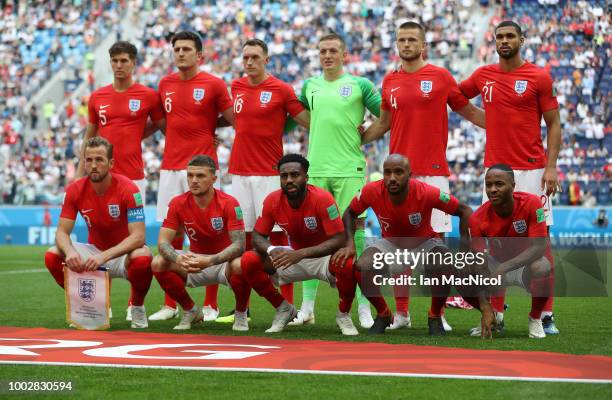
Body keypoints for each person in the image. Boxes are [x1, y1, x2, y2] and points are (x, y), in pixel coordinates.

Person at [362, 21, 486, 328]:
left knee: (438, 246)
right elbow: (383, 123)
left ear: (424, 45)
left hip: (433, 173)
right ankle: (402, 314)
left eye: (411, 39)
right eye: (401, 39)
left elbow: (468, 111)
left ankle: (438, 314)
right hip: (398, 177)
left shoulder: (441, 77)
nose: (405, 44)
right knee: (399, 241)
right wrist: (357, 137)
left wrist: (503, 124)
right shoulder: (389, 80)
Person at [460, 20, 562, 335]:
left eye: (510, 36)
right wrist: (484, 119)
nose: (504, 41)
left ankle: (545, 315)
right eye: (500, 36)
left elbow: (554, 123)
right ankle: (498, 315)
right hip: (496, 171)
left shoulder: (538, 76)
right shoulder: (483, 75)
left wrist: (551, 166)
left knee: (540, 245)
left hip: (532, 169)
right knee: (495, 246)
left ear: (521, 39)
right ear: (494, 41)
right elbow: (455, 98)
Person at [332, 154, 491, 336]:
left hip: (424, 243)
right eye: (388, 172)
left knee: (443, 261)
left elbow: (464, 210)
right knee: (362, 266)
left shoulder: (426, 192)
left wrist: (464, 251)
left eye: (398, 172)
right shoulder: (371, 191)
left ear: (409, 174)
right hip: (390, 244)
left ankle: (435, 315)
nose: (392, 178)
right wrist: (349, 244)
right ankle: (383, 314)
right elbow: (349, 213)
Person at [216, 39, 310, 324]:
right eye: (245, 57)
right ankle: (242, 308)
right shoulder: (237, 86)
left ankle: (289, 307)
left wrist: (341, 123)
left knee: (278, 239)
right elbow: (233, 119)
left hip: (270, 174)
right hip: (240, 173)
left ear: (266, 59)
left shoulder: (281, 89)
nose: (249, 62)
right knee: (243, 242)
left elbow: (305, 118)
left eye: (255, 57)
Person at [293, 32, 377, 328]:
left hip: (350, 169)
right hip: (316, 169)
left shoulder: (360, 85)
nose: (327, 55)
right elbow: (300, 115)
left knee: (355, 235)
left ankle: (366, 306)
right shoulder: (309, 86)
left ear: (344, 55)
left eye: (332, 50)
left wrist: (363, 137)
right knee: (312, 234)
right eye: (322, 50)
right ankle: (307, 308)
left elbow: (387, 116)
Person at [153, 31, 234, 322]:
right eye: (176, 48)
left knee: (211, 235)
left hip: (202, 166)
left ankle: (211, 304)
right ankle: (171, 304)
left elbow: (232, 116)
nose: (180, 53)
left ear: (199, 55)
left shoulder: (213, 83)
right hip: (170, 167)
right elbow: (164, 121)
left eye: (186, 48)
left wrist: (209, 128)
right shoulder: (165, 84)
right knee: (170, 235)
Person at [80, 41, 164, 321]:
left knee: (133, 242)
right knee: (100, 239)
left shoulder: (148, 95)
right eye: (115, 60)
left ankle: (134, 303)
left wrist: (138, 134)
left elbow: (163, 125)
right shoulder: (97, 96)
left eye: (124, 60)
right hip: (100, 182)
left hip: (133, 177)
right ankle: (101, 304)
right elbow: (90, 136)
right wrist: (82, 172)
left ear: (134, 63)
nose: (119, 65)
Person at [239, 154, 360, 335]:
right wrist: (272, 249)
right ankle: (283, 309)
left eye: (295, 175)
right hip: (292, 257)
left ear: (306, 177)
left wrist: (301, 254)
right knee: (249, 259)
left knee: (348, 263)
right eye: (284, 176)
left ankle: (343, 314)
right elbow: (257, 235)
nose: (289, 180)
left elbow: (339, 239)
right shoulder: (273, 200)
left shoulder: (322, 198)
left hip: (323, 259)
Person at [43, 137, 152, 329]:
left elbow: (138, 237)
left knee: (143, 257)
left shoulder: (129, 189)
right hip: (95, 251)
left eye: (99, 160)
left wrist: (105, 256)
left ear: (111, 163)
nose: (93, 165)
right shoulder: (75, 190)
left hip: (121, 254)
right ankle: (90, 305)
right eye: (89, 160)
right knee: (53, 254)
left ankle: (137, 306)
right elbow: (61, 231)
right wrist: (70, 252)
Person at [151, 155, 250, 331]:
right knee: (159, 262)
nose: (193, 180)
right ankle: (191, 310)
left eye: (200, 176)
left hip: (223, 263)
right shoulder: (177, 202)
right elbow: (163, 242)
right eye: (190, 175)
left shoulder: (229, 203)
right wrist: (177, 258)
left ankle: (241, 313)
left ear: (214, 179)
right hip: (194, 261)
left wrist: (210, 261)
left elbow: (239, 245)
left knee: (242, 264)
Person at [469, 164, 554, 338]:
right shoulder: (477, 218)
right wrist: (484, 307)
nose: (492, 189)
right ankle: (493, 315)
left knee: (543, 266)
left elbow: (539, 247)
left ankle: (535, 318)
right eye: (489, 185)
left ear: (513, 185)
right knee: (463, 271)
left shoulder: (532, 203)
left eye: (499, 184)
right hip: (496, 269)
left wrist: (504, 267)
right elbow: (477, 262)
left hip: (525, 267)